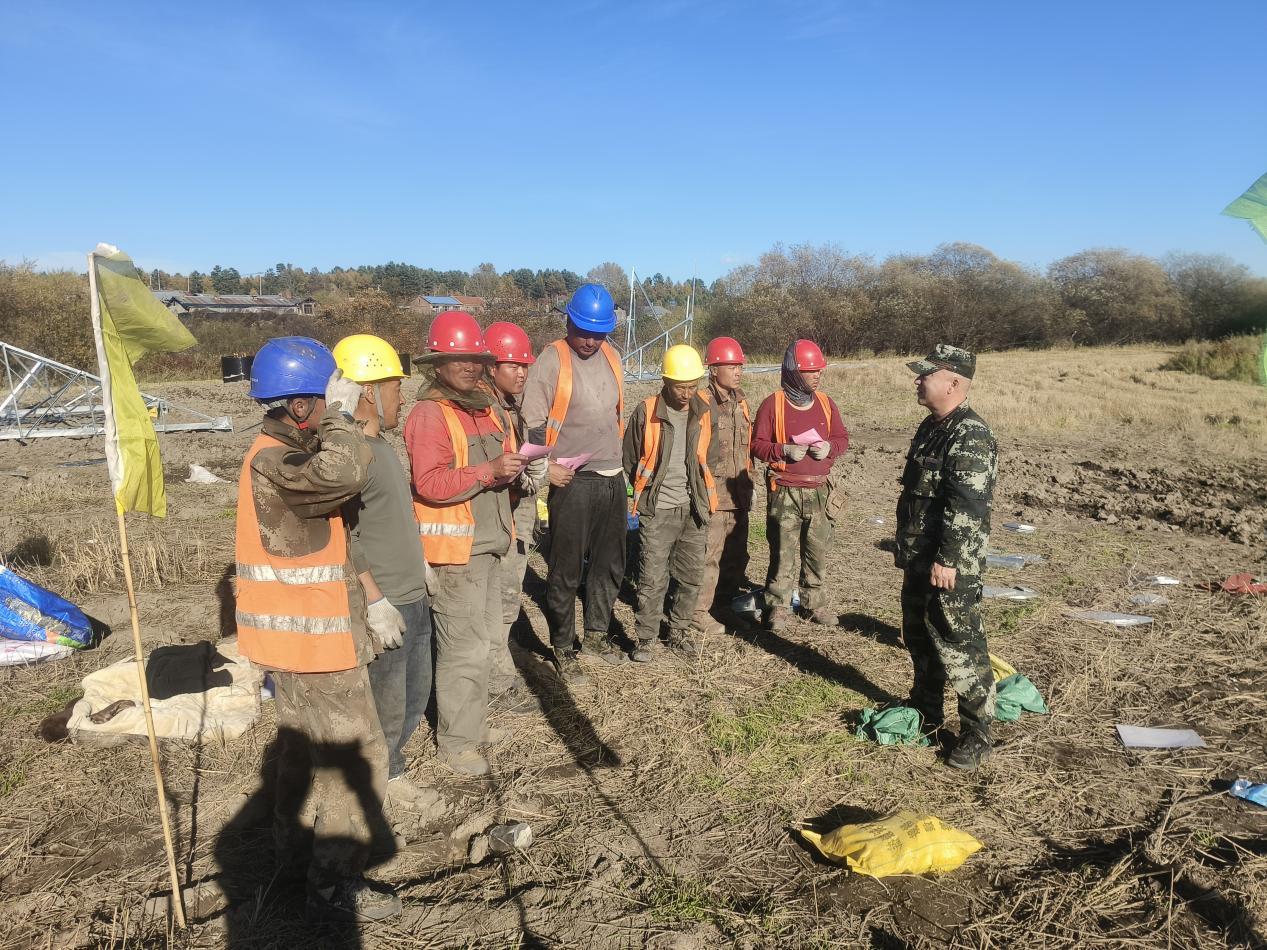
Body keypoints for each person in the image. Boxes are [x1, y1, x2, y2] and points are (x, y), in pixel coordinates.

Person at [234, 336, 400, 922]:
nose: (337, 407)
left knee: (301, 759)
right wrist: (343, 420)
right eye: (326, 398)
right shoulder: (276, 460)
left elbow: (333, 535)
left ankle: (292, 865)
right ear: (301, 406)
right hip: (315, 644)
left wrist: (372, 599)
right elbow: (346, 471)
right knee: (357, 759)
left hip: (299, 641)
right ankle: (333, 888)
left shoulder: (283, 455)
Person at [404, 312, 524, 777]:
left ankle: (473, 726)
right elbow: (429, 483)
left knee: (485, 642)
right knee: (463, 650)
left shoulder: (486, 409)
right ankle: (457, 743)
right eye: (460, 360)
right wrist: (489, 471)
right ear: (437, 364)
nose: (471, 367)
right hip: (457, 555)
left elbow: (499, 467)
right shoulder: (429, 415)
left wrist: (518, 471)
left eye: (477, 359)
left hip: (492, 544)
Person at [332, 333, 440, 815]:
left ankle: (393, 764)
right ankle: (384, 777)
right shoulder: (353, 456)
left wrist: (421, 564)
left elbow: (396, 517)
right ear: (369, 391)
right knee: (387, 700)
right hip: (388, 601)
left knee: (415, 693)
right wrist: (374, 599)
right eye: (395, 386)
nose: (402, 396)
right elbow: (345, 535)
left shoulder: (383, 448)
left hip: (412, 592)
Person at [895, 344, 999, 770]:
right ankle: (927, 710)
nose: (918, 380)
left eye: (926, 375)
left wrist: (949, 559)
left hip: (949, 565)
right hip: (921, 557)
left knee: (960, 643)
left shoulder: (970, 434)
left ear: (953, 383)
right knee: (920, 635)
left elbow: (967, 505)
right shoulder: (932, 426)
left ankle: (977, 733)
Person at [521, 283, 626, 682]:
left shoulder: (612, 356)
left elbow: (614, 413)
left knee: (609, 564)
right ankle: (564, 646)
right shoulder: (552, 360)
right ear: (568, 321)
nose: (590, 341)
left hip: (612, 475)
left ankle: (597, 635)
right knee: (565, 570)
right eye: (583, 332)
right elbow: (532, 423)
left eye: (598, 334)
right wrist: (544, 467)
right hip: (573, 481)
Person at [623, 344, 715, 661]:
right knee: (652, 578)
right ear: (666, 381)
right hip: (657, 509)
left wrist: (700, 496)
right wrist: (647, 493)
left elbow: (709, 458)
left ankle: (678, 632)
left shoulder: (705, 411)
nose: (687, 394)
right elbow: (630, 458)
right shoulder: (646, 411)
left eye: (693, 386)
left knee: (690, 576)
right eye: (680, 387)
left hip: (693, 508)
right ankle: (646, 639)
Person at [750, 339, 849, 631]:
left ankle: (814, 603)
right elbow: (756, 445)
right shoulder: (773, 404)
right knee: (782, 551)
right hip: (785, 491)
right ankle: (779, 606)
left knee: (817, 551)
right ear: (794, 372)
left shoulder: (826, 404)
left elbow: (842, 439)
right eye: (810, 371)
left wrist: (829, 447)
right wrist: (783, 450)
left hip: (820, 491)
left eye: (819, 370)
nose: (818, 375)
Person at [483, 321, 547, 692]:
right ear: (491, 367)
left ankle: (501, 655)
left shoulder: (507, 407)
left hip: (513, 513)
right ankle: (497, 680)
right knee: (502, 595)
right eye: (513, 365)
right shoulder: (486, 410)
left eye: (525, 365)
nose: (522, 373)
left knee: (508, 590)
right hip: (500, 518)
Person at [691, 336, 754, 635]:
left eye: (740, 366)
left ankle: (723, 606)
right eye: (731, 366)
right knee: (708, 557)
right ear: (714, 369)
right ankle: (698, 612)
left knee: (735, 557)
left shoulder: (742, 403)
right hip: (713, 496)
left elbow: (746, 450)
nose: (738, 371)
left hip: (739, 495)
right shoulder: (701, 403)